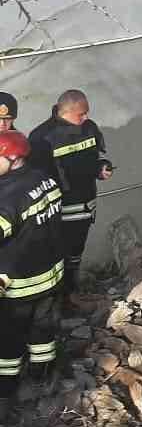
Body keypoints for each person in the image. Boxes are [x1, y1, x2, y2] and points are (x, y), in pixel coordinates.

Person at [27, 90, 112, 309]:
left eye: (86, 114)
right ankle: (59, 301)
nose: (85, 118)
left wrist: (101, 168)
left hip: (86, 204)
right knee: (59, 255)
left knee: (76, 252)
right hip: (60, 210)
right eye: (81, 114)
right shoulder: (43, 137)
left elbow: (93, 160)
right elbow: (36, 178)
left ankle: (72, 294)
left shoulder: (90, 128)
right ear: (66, 111)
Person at [0, 131, 65, 405]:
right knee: (43, 330)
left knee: (8, 338)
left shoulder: (7, 198)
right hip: (51, 274)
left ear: (12, 158)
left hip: (19, 284)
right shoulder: (44, 178)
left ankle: (6, 388)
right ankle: (41, 375)